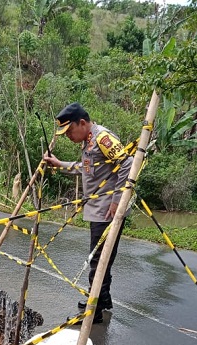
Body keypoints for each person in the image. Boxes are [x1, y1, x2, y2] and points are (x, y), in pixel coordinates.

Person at [43, 102, 133, 323]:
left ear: (81, 123)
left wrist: (117, 201)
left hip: (106, 211)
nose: (68, 136)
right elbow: (85, 168)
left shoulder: (102, 138)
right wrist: (58, 164)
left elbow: (128, 163)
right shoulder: (88, 141)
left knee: (98, 260)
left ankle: (94, 312)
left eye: (69, 131)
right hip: (97, 209)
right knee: (103, 257)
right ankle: (103, 300)